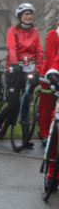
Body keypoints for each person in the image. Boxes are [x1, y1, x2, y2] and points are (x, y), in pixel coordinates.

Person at [0, 3, 43, 137]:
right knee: (13, 103)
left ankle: (26, 137)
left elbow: (39, 52)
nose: (28, 16)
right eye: (25, 14)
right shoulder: (12, 30)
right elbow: (12, 47)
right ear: (20, 16)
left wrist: (37, 71)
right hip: (15, 70)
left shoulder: (35, 32)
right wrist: (15, 63)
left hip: (30, 71)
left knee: (26, 103)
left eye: (30, 14)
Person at [40, 14, 59, 144]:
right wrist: (55, 75)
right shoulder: (53, 34)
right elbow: (52, 57)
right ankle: (45, 133)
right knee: (47, 104)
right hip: (50, 72)